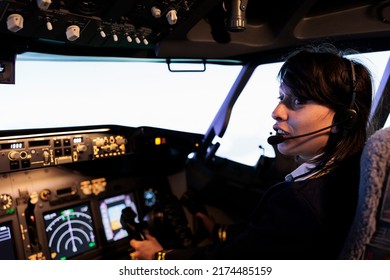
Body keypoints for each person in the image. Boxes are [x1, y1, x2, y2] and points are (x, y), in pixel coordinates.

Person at [129, 44, 374, 260]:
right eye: (281, 97)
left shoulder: (301, 201)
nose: (277, 111)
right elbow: (266, 238)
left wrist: (160, 257)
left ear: (344, 118)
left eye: (298, 100)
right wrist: (218, 231)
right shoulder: (352, 171)